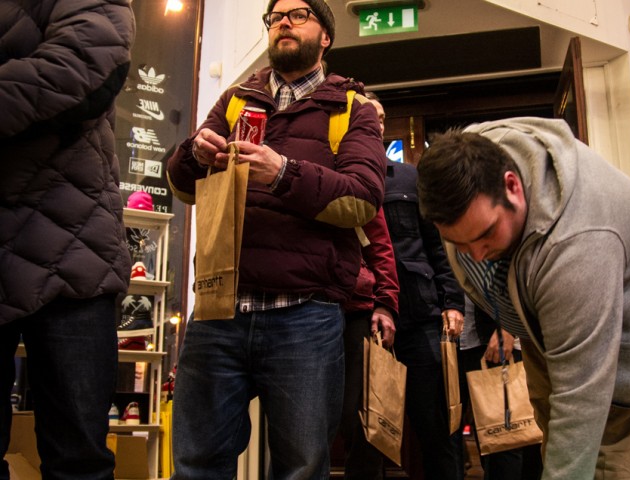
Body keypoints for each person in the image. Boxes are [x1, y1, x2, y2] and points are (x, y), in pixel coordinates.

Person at [165, 0, 387, 478]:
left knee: (301, 468)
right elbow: (183, 188)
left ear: (326, 36)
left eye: (299, 14)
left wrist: (283, 172)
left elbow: (363, 200)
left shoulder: (353, 108)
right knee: (196, 465)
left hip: (305, 314)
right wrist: (194, 154)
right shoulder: (235, 99)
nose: (283, 21)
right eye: (275, 17)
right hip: (219, 308)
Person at [415, 118, 630, 480]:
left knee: (600, 457)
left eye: (485, 234)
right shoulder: (469, 159)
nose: (476, 255)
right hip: (541, 316)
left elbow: (580, 404)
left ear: (512, 186)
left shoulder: (579, 247)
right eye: (459, 243)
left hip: (627, 322)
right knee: (552, 431)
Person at [0, 1, 135, 478]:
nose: (283, 22)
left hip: (69, 241)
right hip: (68, 239)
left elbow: (85, 63)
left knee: (78, 459)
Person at [365, 92, 466, 479]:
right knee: (368, 432)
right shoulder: (344, 179)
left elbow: (438, 244)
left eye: (381, 117)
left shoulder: (410, 177)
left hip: (420, 318)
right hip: (364, 319)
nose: (375, 123)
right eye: (367, 115)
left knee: (436, 428)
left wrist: (452, 301)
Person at [339, 207, 399, 479]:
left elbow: (379, 241)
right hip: (304, 302)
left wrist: (385, 302)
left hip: (356, 306)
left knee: (363, 420)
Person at [458, 295, 542, 480]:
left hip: (499, 341)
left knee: (508, 440)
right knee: (492, 439)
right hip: (470, 342)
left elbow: (513, 283)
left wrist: (507, 328)